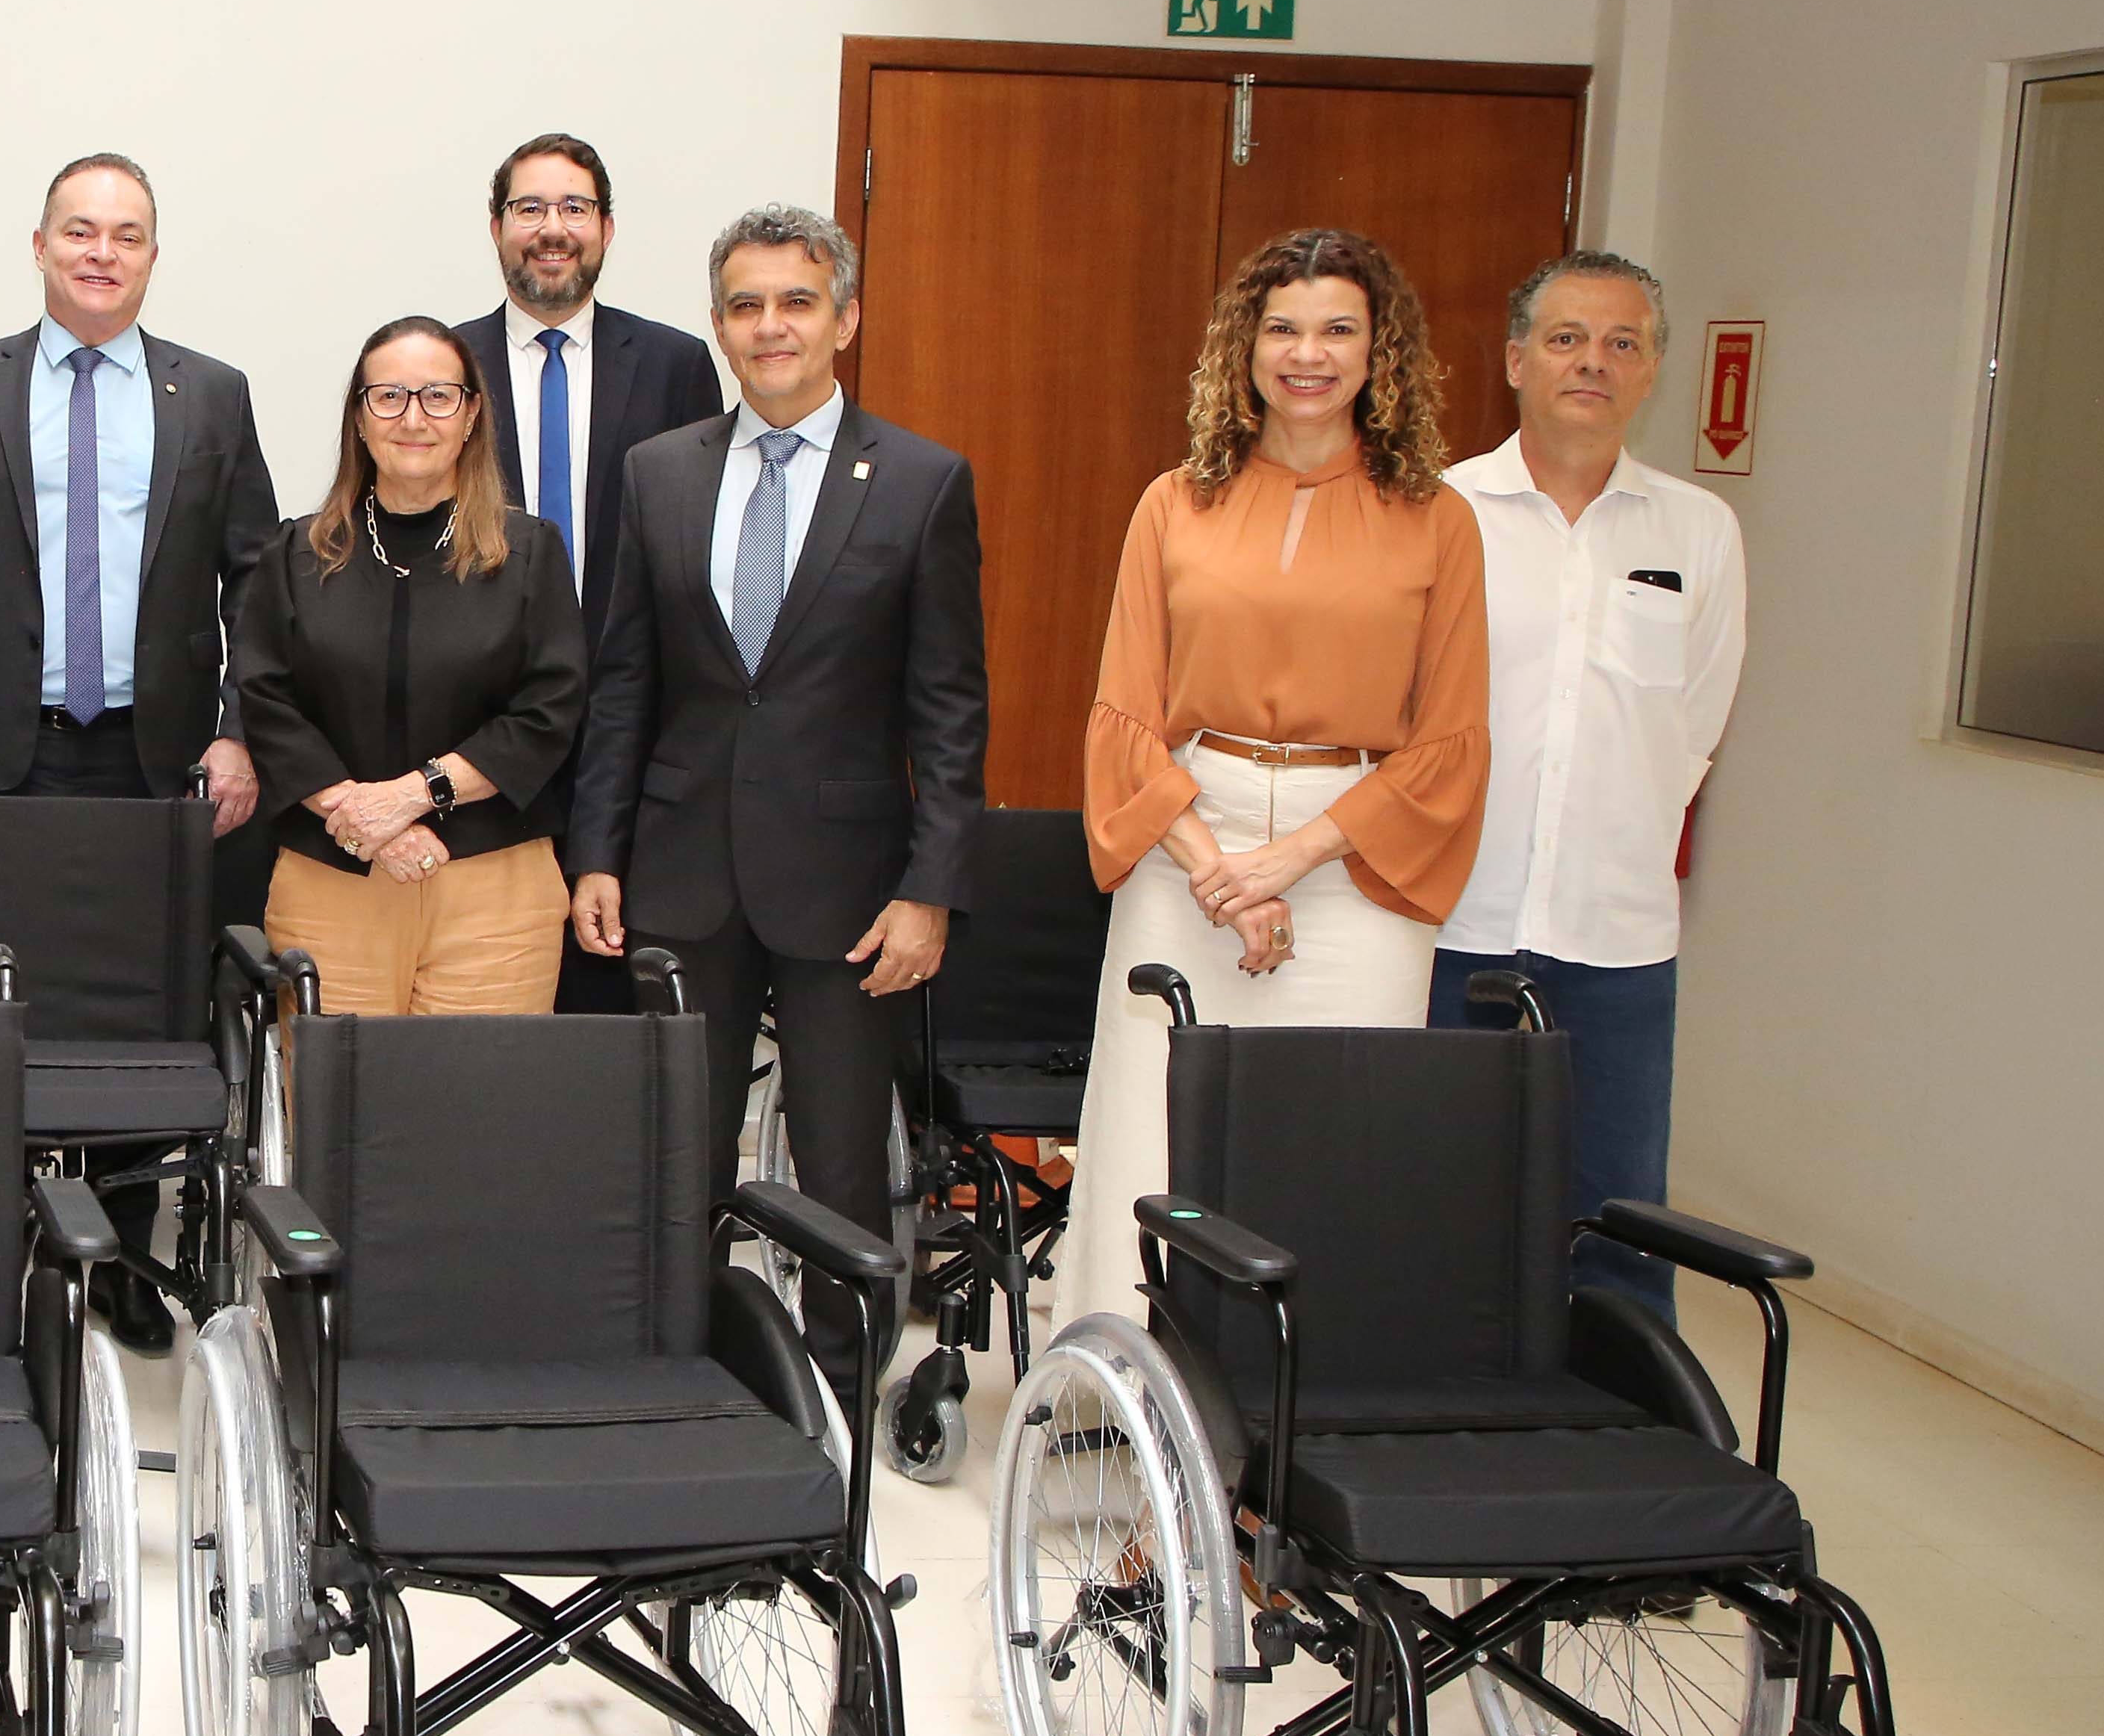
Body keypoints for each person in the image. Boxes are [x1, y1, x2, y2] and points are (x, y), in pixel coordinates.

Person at [565, 204, 988, 1410]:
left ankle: (841, 1395)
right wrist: (597, 850)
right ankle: (679, 1379)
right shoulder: (657, 472)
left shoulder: (919, 480)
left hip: (853, 890)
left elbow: (949, 707)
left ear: (845, 317)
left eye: (797, 301)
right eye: (746, 304)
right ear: (719, 325)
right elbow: (625, 678)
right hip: (683, 866)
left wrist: (933, 886)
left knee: (844, 1161)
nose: (771, 325)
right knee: (677, 1147)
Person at [1053, 228, 1493, 1329]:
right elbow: (1122, 718)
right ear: (1242, 349)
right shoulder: (1173, 502)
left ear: (1379, 351)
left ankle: (1308, 1417)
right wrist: (1216, 870)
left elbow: (1448, 738)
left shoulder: (1439, 520)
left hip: (1356, 857)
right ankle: (1117, 1402)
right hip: (1183, 839)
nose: (1309, 353)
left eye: (1338, 328)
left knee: (1339, 1142)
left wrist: (1288, 863)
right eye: (1282, 327)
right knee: (1148, 1129)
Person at [0, 152, 282, 1351]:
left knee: (135, 1011)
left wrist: (237, 728)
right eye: (79, 230)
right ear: (42, 245)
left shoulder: (211, 393)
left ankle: (118, 1255)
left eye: (126, 233)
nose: (101, 251)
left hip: (155, 764)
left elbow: (258, 579)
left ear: (153, 255)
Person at [1433, 250, 1746, 1319]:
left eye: (1622, 343)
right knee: (1427, 1181)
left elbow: (1694, 723)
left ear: (1652, 369)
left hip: (1616, 931)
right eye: (1566, 339)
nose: (1592, 363)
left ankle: (1611, 1424)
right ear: (1516, 359)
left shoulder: (1697, 531)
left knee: (1614, 1208)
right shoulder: (1441, 509)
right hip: (1450, 912)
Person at [234, 319, 589, 1017]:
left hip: (493, 890)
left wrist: (413, 796)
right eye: (389, 396)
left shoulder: (530, 552)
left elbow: (549, 710)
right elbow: (266, 702)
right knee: (336, 1115)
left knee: (475, 1114)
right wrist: (362, 817)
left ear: (471, 417)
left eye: (437, 397)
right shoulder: (295, 553)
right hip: (331, 882)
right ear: (359, 420)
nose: (413, 418)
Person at [455, 134, 725, 1015]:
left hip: (633, 736)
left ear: (606, 227)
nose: (551, 228)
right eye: (529, 208)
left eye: (572, 208)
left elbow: (698, 551)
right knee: (492, 1014)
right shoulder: (441, 371)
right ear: (495, 228)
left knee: (617, 1014)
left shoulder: (678, 364)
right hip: (484, 740)